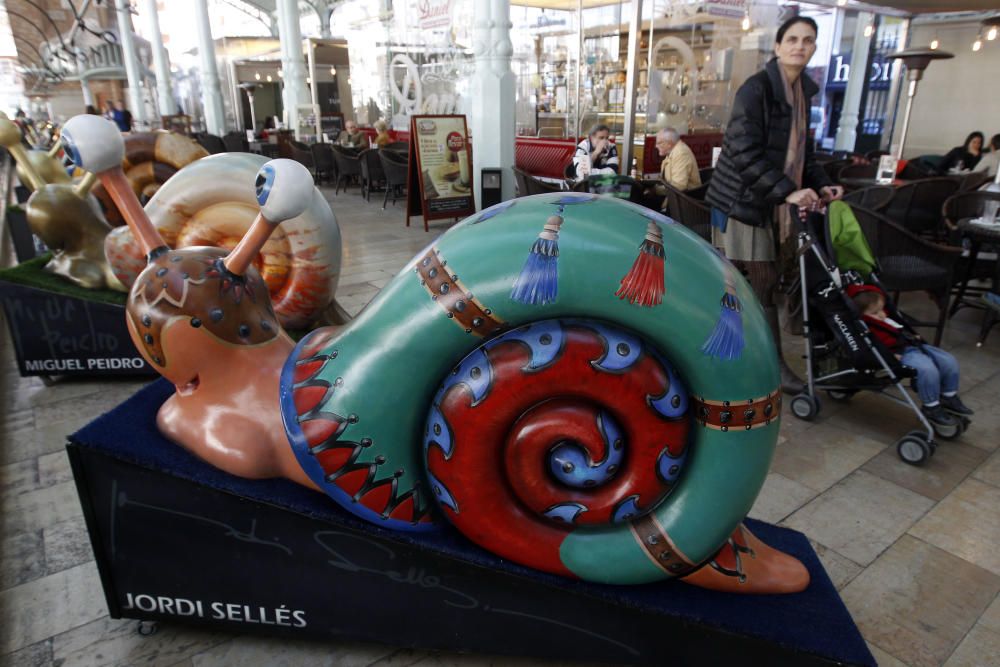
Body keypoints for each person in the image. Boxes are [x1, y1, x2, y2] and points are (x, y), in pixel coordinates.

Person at [705, 16, 841, 394]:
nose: (800, 45)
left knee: (751, 283)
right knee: (759, 282)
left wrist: (822, 183)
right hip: (742, 201)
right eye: (792, 39)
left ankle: (733, 351)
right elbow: (743, 151)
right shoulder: (757, 89)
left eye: (808, 40)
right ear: (778, 46)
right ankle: (769, 364)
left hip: (771, 202)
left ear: (814, 48)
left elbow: (801, 154)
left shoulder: (803, 93)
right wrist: (787, 191)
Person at [848, 284, 973, 426]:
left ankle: (949, 396)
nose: (881, 314)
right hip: (897, 353)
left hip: (913, 346)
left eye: (882, 309)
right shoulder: (867, 328)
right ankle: (931, 406)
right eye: (875, 313)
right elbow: (871, 347)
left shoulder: (884, 319)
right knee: (927, 369)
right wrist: (889, 356)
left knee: (948, 360)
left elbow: (900, 328)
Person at [655, 127, 701, 192]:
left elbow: (678, 186)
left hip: (684, 199)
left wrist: (656, 190)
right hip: (674, 197)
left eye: (659, 143)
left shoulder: (681, 153)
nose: (656, 146)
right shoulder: (672, 152)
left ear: (669, 143)